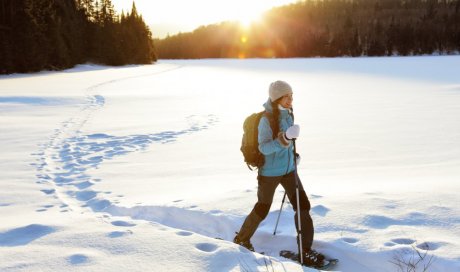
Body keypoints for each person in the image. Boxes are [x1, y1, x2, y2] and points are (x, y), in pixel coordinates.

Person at [234, 80, 325, 267]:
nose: (291, 100)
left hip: (289, 170)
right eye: (287, 97)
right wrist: (285, 138)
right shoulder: (266, 120)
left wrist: (293, 156)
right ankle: (242, 239)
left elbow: (288, 142)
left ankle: (305, 251)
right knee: (263, 208)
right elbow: (265, 147)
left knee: (303, 206)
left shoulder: (288, 114)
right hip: (269, 173)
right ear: (277, 98)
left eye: (292, 96)